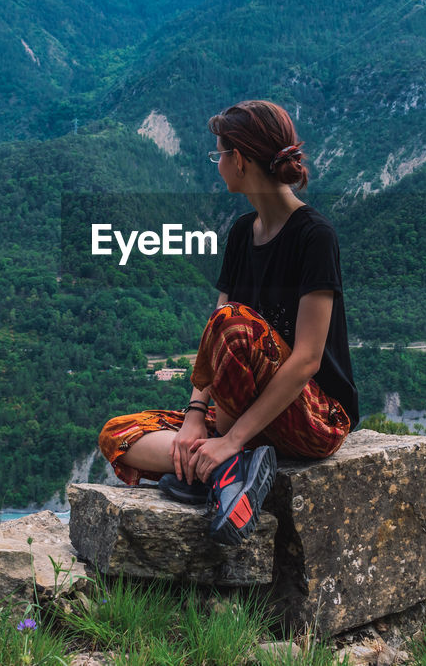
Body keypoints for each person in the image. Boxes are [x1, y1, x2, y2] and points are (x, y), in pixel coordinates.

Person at [97, 99, 358, 544]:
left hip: (316, 414)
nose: (216, 164)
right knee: (116, 434)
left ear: (238, 159)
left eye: (218, 154)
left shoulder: (315, 236)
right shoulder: (242, 233)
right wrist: (197, 416)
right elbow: (212, 344)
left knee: (235, 323)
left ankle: (224, 462)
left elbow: (308, 360)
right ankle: (226, 472)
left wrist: (231, 437)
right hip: (239, 414)